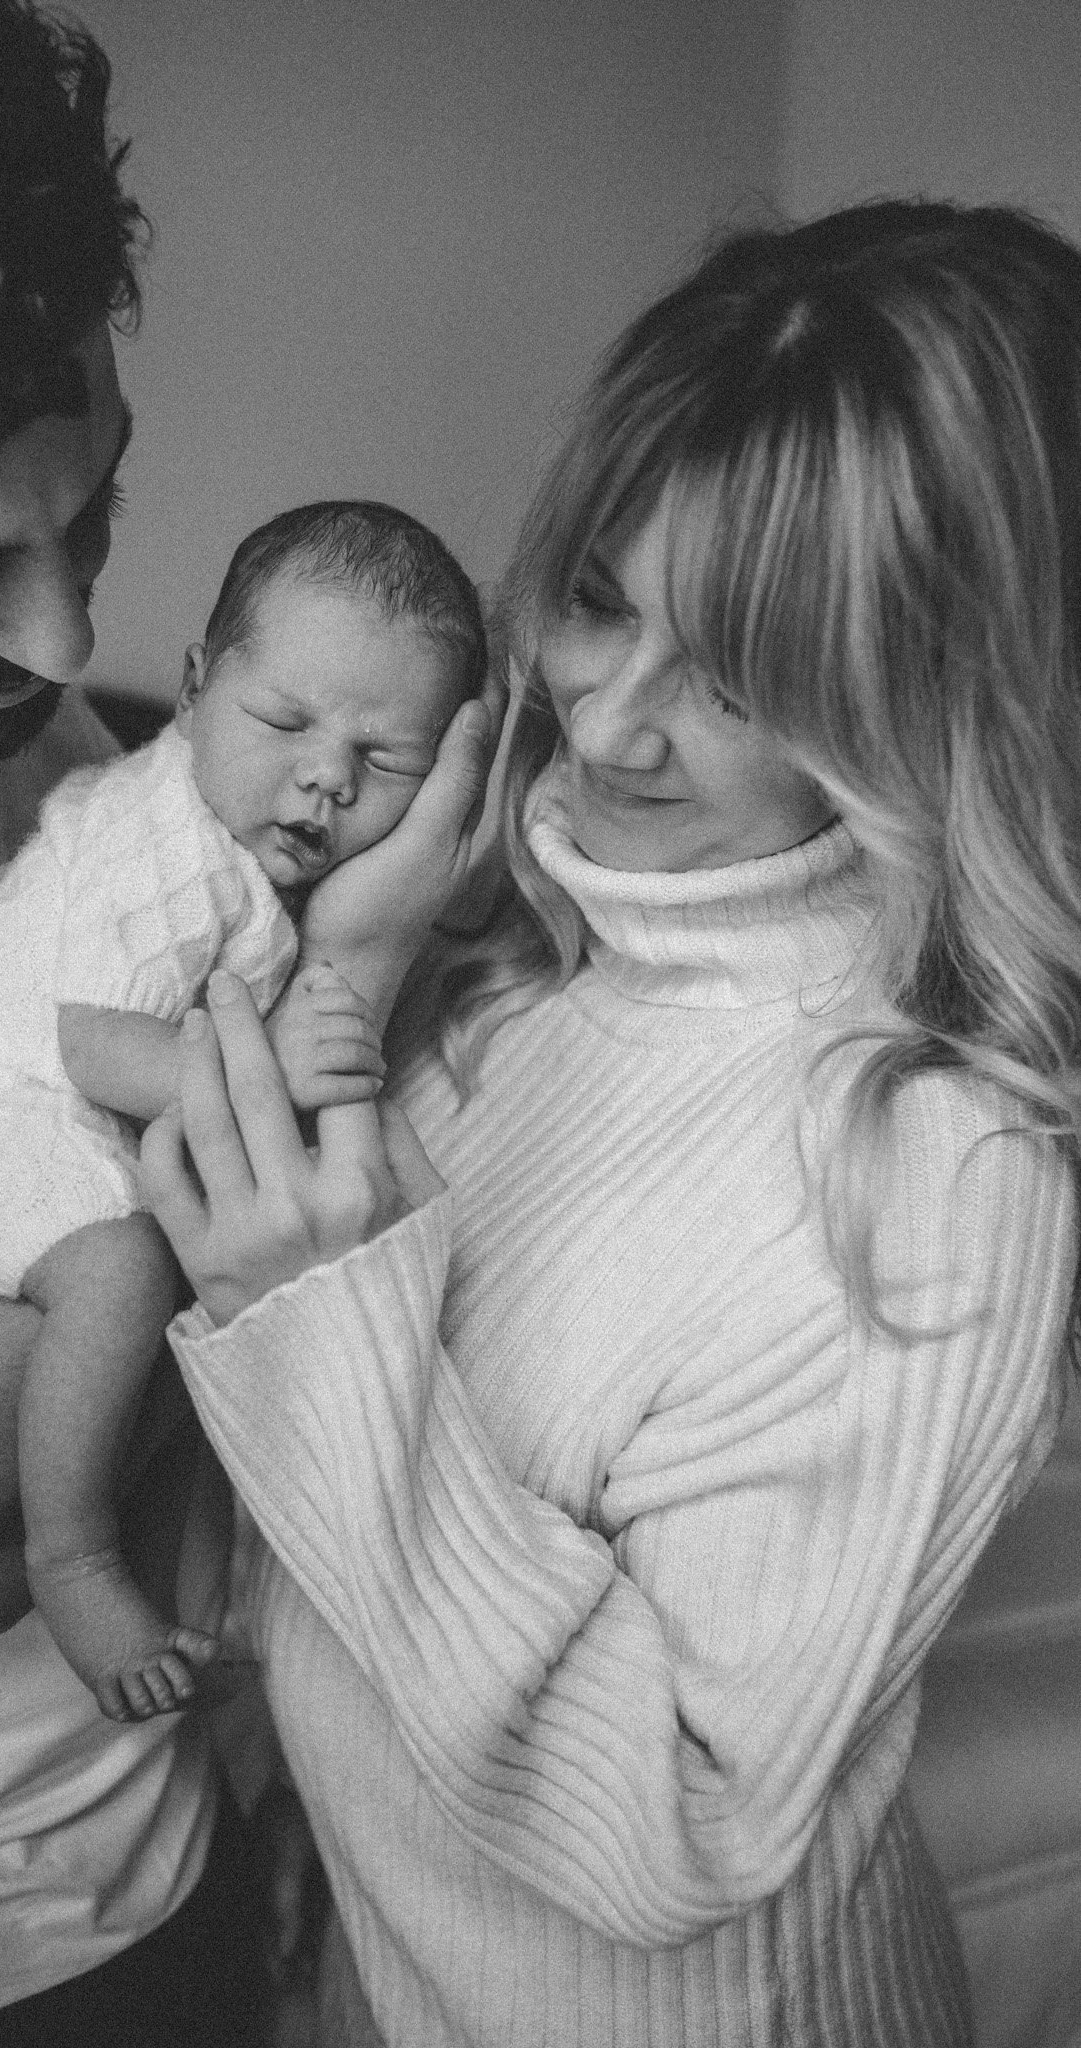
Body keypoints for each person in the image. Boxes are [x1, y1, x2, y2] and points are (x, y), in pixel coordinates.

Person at [137, 199, 1081, 2047]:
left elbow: (681, 1822)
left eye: (740, 676)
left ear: (936, 704)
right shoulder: (523, 947)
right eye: (595, 598)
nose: (611, 726)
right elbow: (374, 1595)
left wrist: (325, 1328)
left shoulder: (933, 1167)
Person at [0, 3, 500, 2043]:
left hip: (168, 1848)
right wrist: (355, 975)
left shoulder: (41, 734)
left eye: (92, 515)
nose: (64, 638)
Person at [0, 499, 487, 1724]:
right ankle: (69, 1556)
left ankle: (192, 1604)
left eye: (387, 760)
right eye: (284, 722)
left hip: (98, 1112)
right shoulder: (160, 836)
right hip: (14, 1095)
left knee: (199, 1310)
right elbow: (97, 1043)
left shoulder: (261, 854)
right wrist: (273, 1063)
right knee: (123, 1276)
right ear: (189, 692)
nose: (328, 775)